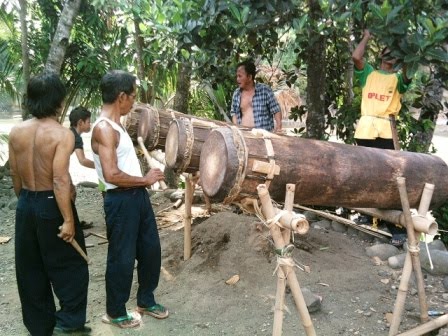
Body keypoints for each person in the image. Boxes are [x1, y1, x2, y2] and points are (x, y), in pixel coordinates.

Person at [9, 72, 89, 335]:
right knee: (71, 265)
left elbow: (16, 176)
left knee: (30, 268)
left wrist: (27, 206)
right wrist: (67, 220)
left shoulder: (17, 131)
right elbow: (59, 180)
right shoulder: (61, 134)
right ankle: (69, 323)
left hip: (26, 204)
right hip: (51, 203)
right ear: (58, 100)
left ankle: (40, 327)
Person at [91, 70, 168, 329]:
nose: (134, 102)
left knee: (150, 250)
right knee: (121, 257)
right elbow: (111, 174)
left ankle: (145, 300)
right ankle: (114, 311)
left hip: (137, 197)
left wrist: (143, 185)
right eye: (132, 97)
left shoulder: (117, 125)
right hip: (120, 200)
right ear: (120, 96)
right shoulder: (103, 128)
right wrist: (145, 180)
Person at [352, 29, 412, 247]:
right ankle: (368, 215)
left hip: (386, 130)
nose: (388, 55)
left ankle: (395, 226)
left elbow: (408, 72)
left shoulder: (398, 79)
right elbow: (356, 57)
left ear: (396, 59)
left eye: (393, 53)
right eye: (385, 51)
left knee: (391, 177)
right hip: (366, 129)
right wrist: (366, 36)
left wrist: (408, 52)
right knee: (366, 173)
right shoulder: (368, 73)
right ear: (380, 56)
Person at [230, 59, 282, 132]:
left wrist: (279, 127)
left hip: (264, 136)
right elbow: (234, 113)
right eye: (237, 76)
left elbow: (276, 109)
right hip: (244, 135)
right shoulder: (236, 93)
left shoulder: (265, 90)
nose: (237, 79)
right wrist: (237, 129)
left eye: (240, 76)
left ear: (249, 77)